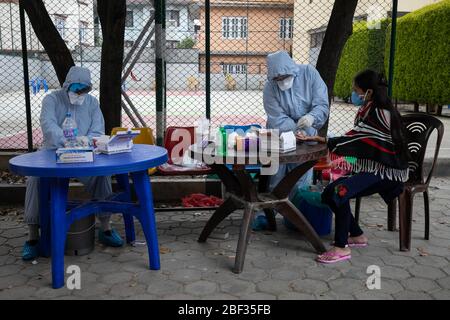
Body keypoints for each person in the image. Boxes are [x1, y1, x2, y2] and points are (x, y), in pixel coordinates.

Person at [297, 69, 409, 263]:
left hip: (387, 172)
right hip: (375, 167)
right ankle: (357, 235)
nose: (354, 93)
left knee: (338, 192)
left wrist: (326, 141)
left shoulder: (380, 113)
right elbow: (358, 138)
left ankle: (341, 247)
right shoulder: (370, 109)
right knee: (329, 192)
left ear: (369, 92)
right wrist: (323, 139)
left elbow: (359, 141)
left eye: (356, 90)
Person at [22, 66, 124, 261]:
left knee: (101, 175)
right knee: (35, 179)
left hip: (83, 154)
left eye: (83, 90)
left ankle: (106, 227)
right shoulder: (52, 99)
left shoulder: (92, 103)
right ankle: (33, 236)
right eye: (76, 89)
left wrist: (85, 142)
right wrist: (66, 141)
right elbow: (48, 125)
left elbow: (97, 129)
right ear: (67, 85)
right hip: (53, 153)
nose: (79, 93)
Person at [252, 50, 330, 230]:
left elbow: (321, 103)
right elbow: (276, 117)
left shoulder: (309, 74)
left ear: (292, 70)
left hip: (308, 137)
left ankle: (295, 216)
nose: (282, 80)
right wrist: (296, 130)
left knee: (301, 175)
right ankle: (267, 214)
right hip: (279, 136)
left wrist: (311, 118)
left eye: (285, 76)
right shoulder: (270, 88)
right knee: (275, 175)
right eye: (278, 78)